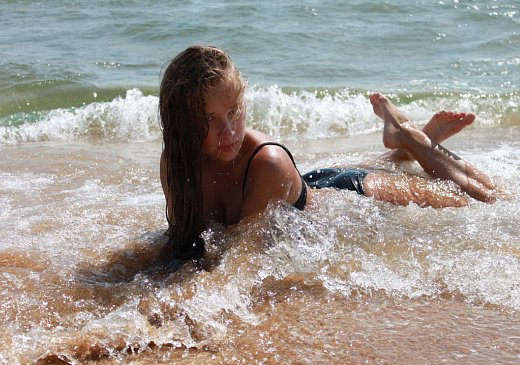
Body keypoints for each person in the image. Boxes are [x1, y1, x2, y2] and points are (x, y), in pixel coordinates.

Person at [159, 45, 497, 258]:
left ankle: (413, 138)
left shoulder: (266, 164)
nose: (229, 131)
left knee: (480, 196)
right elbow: (182, 244)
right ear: (183, 124)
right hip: (307, 186)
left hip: (352, 193)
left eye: (234, 111)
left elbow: (240, 261)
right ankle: (402, 148)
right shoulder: (176, 162)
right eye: (209, 118)